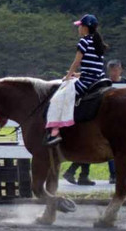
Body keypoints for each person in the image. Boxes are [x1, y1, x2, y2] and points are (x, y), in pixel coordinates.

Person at [45, 14, 107, 146]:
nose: (78, 29)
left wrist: (68, 76)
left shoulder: (84, 41)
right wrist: (77, 75)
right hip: (99, 78)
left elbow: (76, 61)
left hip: (87, 82)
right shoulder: (98, 42)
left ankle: (55, 132)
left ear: (85, 28)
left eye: (80, 26)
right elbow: (95, 66)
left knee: (58, 98)